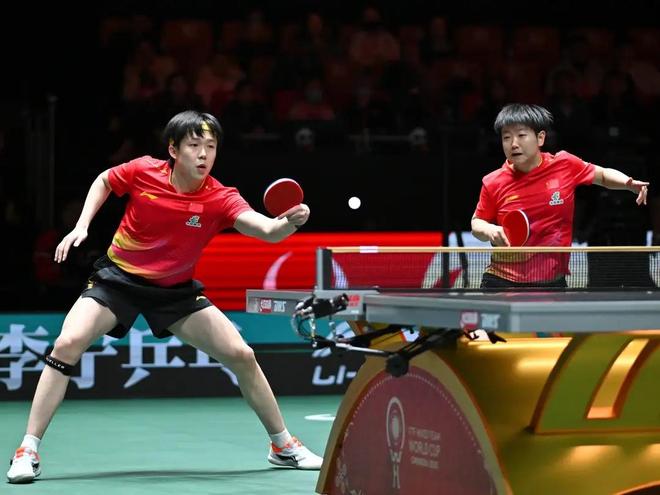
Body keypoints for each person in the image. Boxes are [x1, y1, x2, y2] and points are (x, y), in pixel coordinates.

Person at [7, 110, 322, 484]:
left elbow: (267, 230)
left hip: (174, 292)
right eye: (194, 145)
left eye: (211, 146)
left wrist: (289, 222)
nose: (203, 154)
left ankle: (282, 446)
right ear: (173, 149)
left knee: (242, 354)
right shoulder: (144, 171)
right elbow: (105, 180)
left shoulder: (221, 197)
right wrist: (81, 225)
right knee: (67, 344)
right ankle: (27, 449)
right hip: (118, 281)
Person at [471, 103, 649, 288]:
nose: (514, 144)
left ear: (540, 138)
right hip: (503, 282)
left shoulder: (564, 165)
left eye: (521, 135)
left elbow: (602, 175)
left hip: (552, 282)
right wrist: (489, 230)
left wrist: (627, 183)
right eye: (506, 137)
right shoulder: (493, 182)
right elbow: (477, 223)